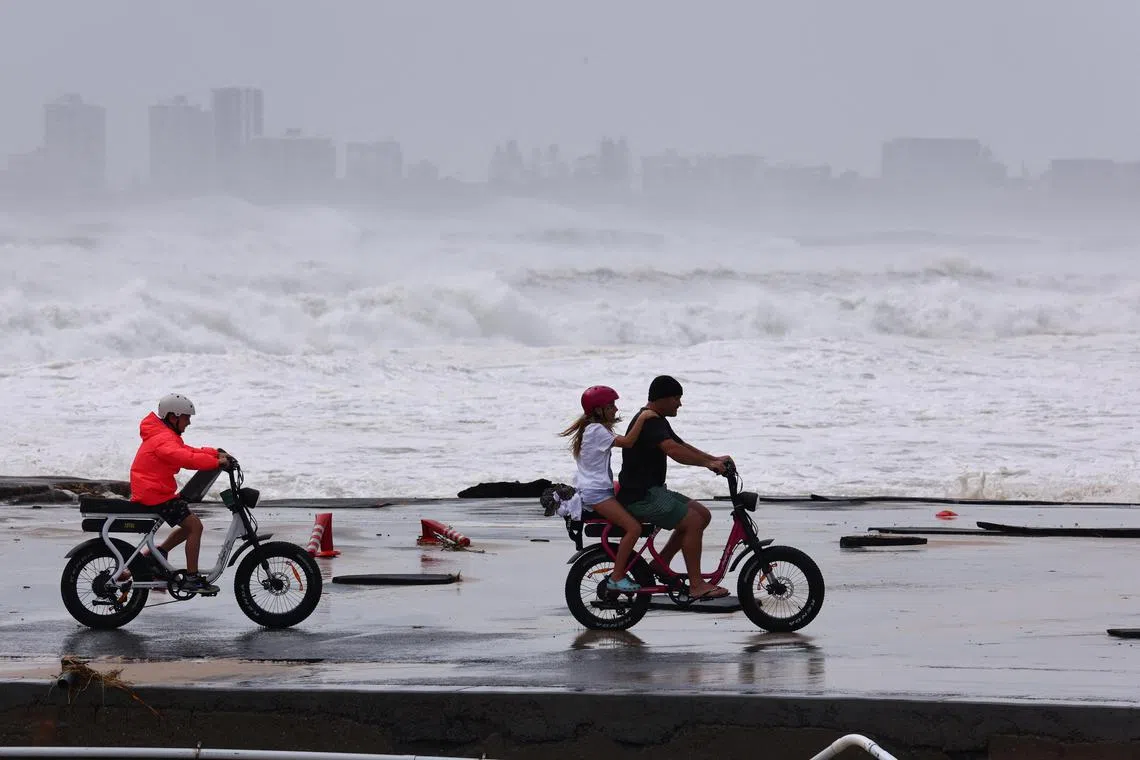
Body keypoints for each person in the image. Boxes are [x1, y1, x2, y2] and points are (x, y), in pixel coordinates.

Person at [616, 375, 732, 600]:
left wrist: (714, 458)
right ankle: (696, 585)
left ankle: (662, 564)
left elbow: (681, 444)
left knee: (703, 514)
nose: (680, 404)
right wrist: (709, 464)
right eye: (676, 398)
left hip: (653, 490)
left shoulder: (656, 418)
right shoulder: (649, 420)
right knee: (694, 521)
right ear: (663, 399)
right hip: (641, 496)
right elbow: (674, 451)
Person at [123, 393, 231, 594]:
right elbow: (185, 458)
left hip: (155, 491)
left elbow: (188, 450)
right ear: (173, 417)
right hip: (154, 494)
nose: (189, 422)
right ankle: (191, 578)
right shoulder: (163, 439)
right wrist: (217, 463)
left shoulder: (164, 436)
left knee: (189, 525)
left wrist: (214, 453)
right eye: (187, 417)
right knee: (195, 526)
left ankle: (157, 555)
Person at [559, 385, 658, 593]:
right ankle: (617, 576)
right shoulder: (596, 430)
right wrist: (644, 417)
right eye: (611, 405)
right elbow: (629, 442)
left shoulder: (592, 429)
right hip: (596, 493)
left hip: (595, 489)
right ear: (597, 410)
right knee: (634, 528)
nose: (615, 409)